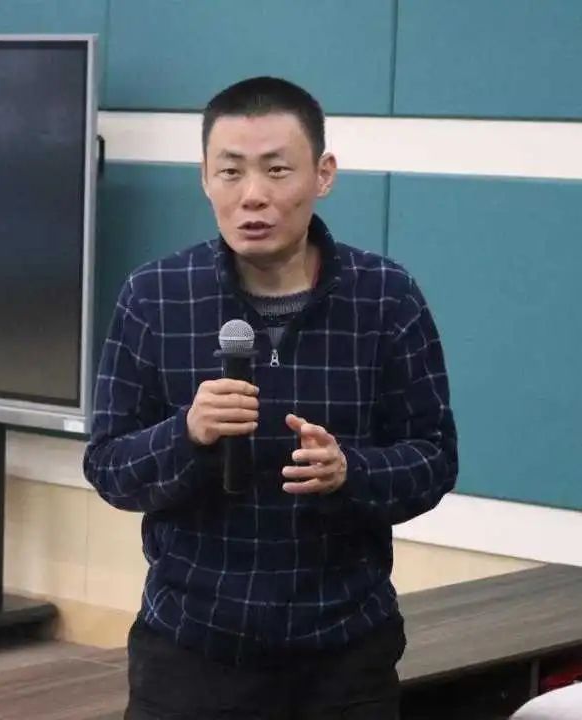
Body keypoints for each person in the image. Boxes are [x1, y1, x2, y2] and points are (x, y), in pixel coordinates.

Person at [83, 76, 458, 720]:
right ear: (205, 179)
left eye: (277, 170)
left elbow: (434, 457)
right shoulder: (155, 295)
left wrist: (350, 472)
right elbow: (108, 466)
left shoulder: (385, 297)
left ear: (323, 174)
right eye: (230, 172)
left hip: (344, 653)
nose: (252, 195)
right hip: (191, 650)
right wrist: (187, 433)